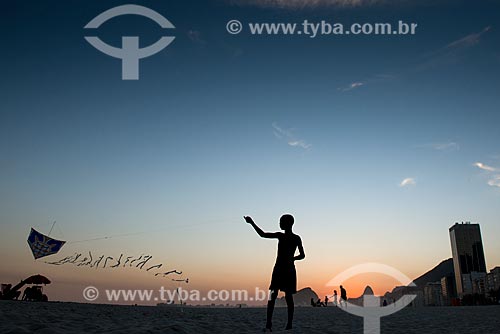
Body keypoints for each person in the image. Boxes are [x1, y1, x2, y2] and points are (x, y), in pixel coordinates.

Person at [245, 214, 305, 331]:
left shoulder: (285, 236)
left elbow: (262, 234)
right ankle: (280, 324)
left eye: (281, 221)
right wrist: (293, 258)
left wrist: (252, 223)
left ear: (288, 223)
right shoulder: (293, 237)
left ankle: (276, 324)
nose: (279, 223)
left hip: (282, 269)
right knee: (283, 297)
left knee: (278, 297)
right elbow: (302, 255)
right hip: (285, 268)